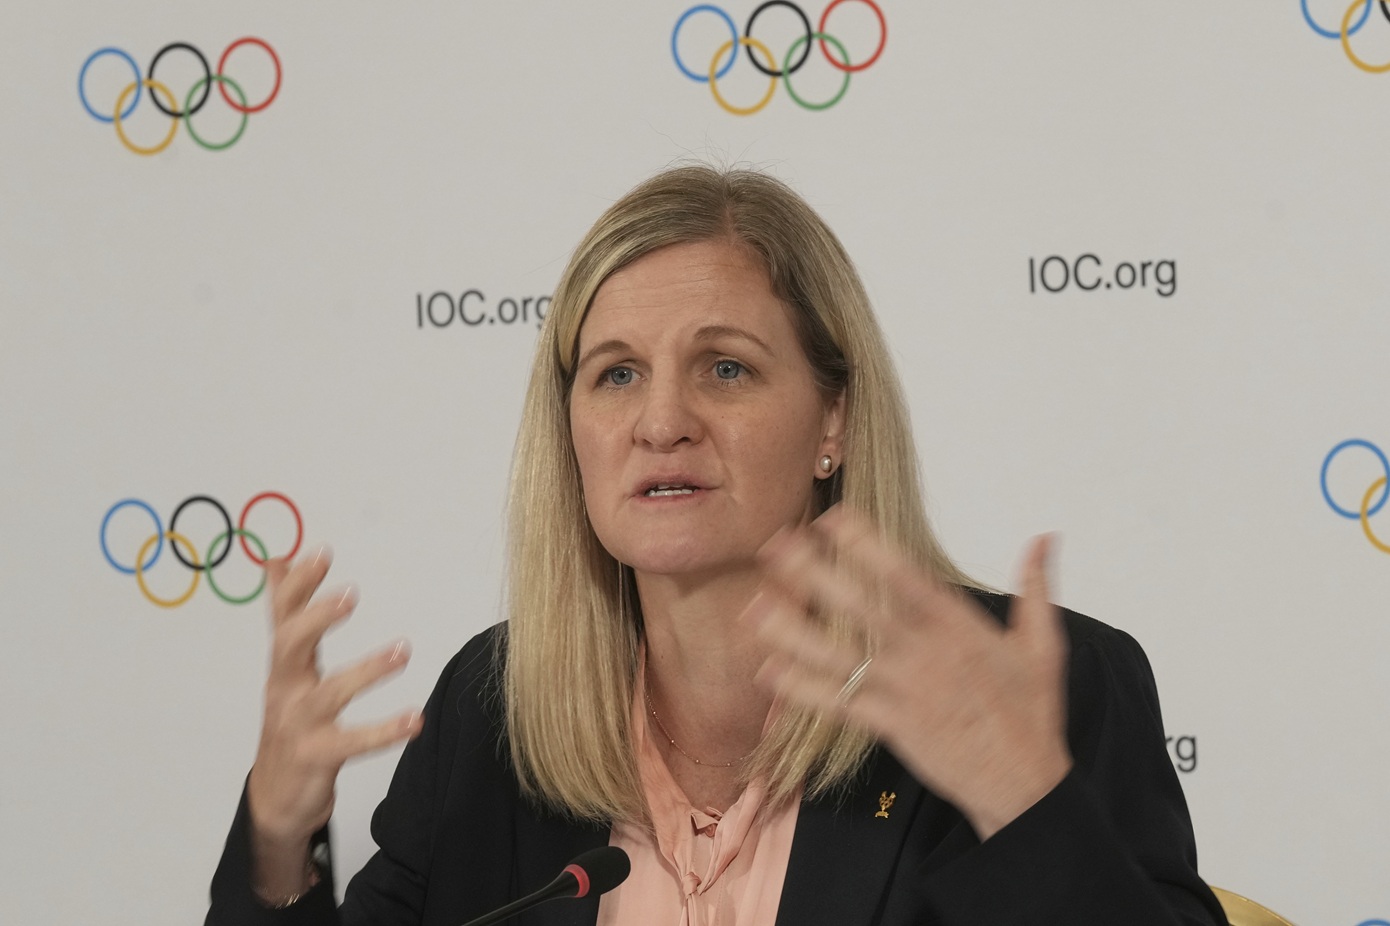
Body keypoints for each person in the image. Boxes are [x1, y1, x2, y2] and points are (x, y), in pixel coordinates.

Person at [207, 165, 1229, 926]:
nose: (662, 421)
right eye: (615, 374)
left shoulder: (1035, 685)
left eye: (725, 369)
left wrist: (1020, 798)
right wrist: (278, 845)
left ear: (833, 420)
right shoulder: (493, 712)